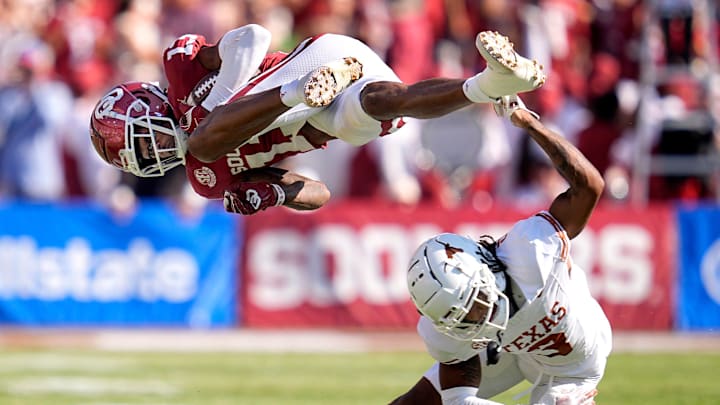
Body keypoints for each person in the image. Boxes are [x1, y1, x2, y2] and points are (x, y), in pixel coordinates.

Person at [89, 25, 546, 215]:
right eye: (145, 159)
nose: (157, 153)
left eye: (145, 142)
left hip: (311, 65)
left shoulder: (180, 67)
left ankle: (294, 93)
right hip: (326, 117)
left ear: (145, 107)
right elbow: (319, 193)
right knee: (389, 102)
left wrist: (219, 107)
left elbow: (254, 35)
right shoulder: (206, 178)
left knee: (206, 139)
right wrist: (275, 193)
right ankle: (490, 84)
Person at [391, 96, 611, 405]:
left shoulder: (531, 252)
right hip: (507, 349)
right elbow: (457, 397)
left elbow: (589, 186)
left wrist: (529, 124)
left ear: (486, 268)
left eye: (475, 305)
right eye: (461, 318)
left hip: (573, 364)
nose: (475, 319)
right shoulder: (447, 326)